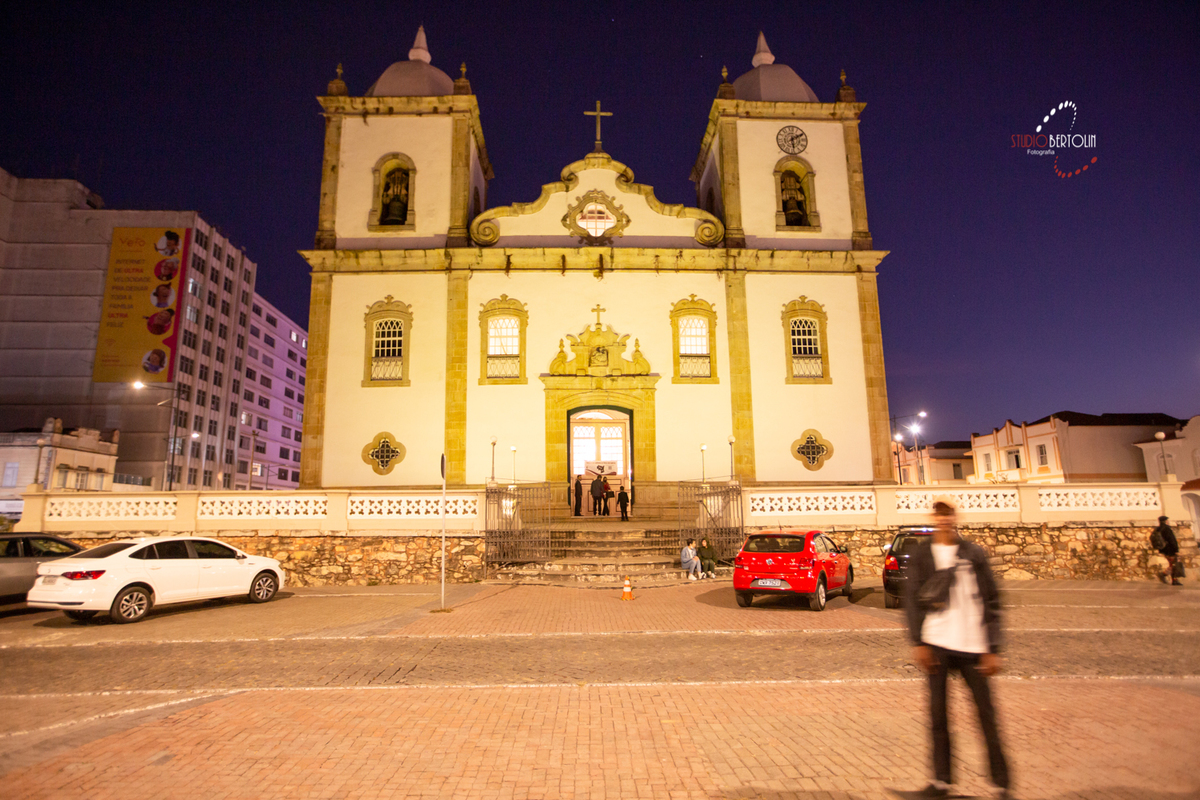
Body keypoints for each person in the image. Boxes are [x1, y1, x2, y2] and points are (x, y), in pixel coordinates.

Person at [892, 500, 1010, 800]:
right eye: (939, 515)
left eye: (948, 515)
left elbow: (992, 599)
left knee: (986, 716)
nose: (944, 520)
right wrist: (918, 641)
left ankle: (1002, 785)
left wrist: (993, 647)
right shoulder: (922, 553)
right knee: (938, 716)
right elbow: (911, 599)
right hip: (937, 643)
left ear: (955, 518)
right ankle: (941, 782)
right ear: (934, 518)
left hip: (973, 645)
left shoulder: (973, 553)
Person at [1151, 515, 1182, 586]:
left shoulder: (1158, 529)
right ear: (1165, 521)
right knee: (1174, 564)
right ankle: (1165, 575)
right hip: (1170, 549)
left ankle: (1173, 579)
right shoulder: (1167, 529)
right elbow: (1172, 540)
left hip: (1164, 550)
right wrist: (1176, 549)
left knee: (1172, 564)